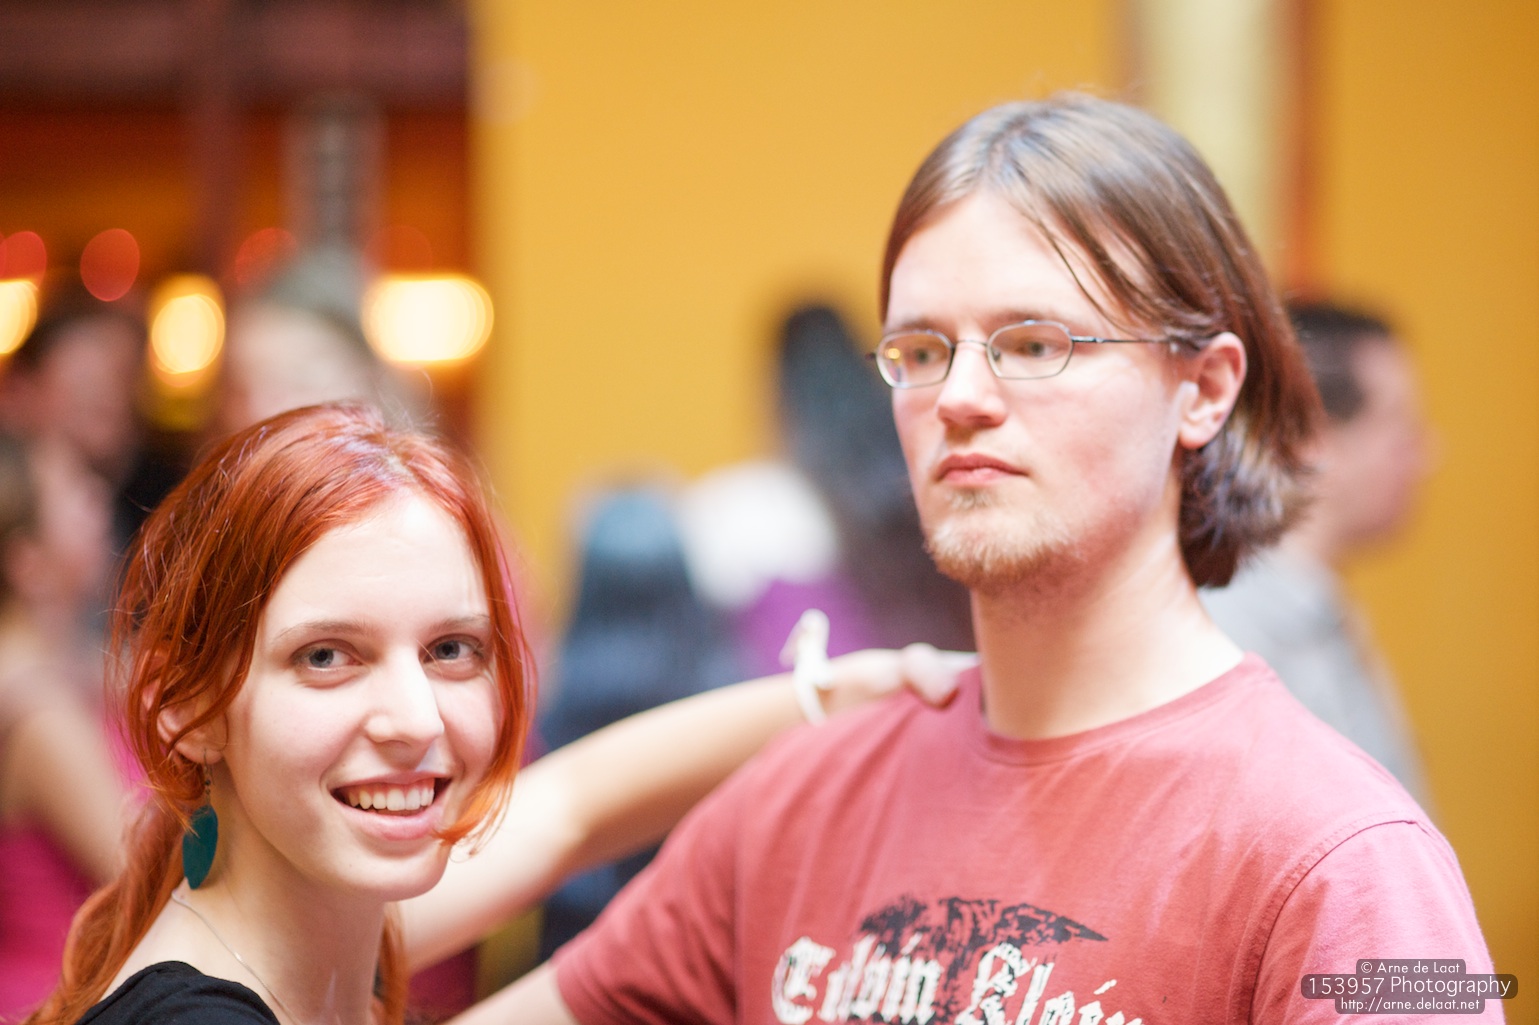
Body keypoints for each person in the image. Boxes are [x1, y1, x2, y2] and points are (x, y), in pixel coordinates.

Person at [458, 94, 1499, 1025]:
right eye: (920, 351)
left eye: (1034, 343)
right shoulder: (798, 800)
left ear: (1203, 388)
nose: (957, 396)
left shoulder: (1346, 856)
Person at [29, 403, 964, 1025]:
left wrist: (848, 691)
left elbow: (573, 805)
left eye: (451, 650)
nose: (414, 718)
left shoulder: (322, 936)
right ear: (187, 708)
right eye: (326, 657)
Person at [1201, 301, 1433, 803]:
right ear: (1312, 439)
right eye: (1398, 425)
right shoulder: (1229, 639)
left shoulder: (1319, 610)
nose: (1425, 455)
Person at [0, 433, 130, 1016]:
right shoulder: (39, 712)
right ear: (27, 563)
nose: (98, 497)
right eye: (74, 492)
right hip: (61, 1000)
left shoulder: (55, 668)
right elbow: (144, 871)